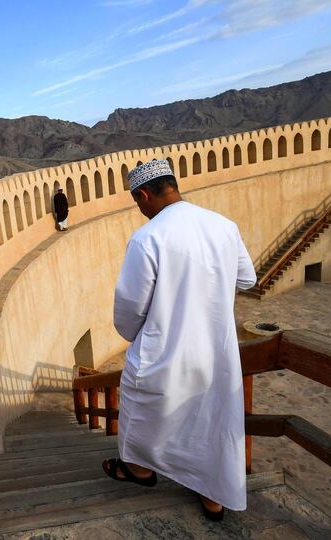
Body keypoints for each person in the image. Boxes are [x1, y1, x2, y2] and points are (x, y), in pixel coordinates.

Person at [102, 159, 256, 521]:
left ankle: (140, 471)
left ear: (143, 195)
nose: (140, 210)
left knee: (144, 407)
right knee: (212, 418)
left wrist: (137, 334)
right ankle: (213, 498)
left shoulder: (147, 238)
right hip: (216, 351)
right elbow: (246, 279)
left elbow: (130, 307)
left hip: (167, 348)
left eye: (137, 202)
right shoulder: (223, 226)